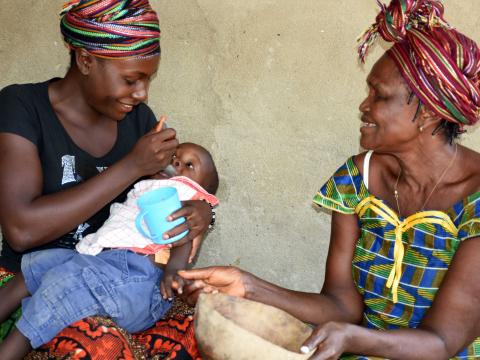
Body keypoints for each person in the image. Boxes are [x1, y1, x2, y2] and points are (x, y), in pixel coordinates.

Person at [178, 1, 480, 359]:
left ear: (428, 113)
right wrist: (246, 285)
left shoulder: (473, 199)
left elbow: (442, 343)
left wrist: (352, 339)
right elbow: (341, 305)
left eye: (379, 95)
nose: (363, 106)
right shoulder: (358, 179)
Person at [0, 0, 212, 358]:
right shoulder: (22, 107)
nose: (142, 93)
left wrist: (199, 213)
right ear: (85, 61)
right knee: (98, 346)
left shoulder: (138, 123)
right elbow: (22, 230)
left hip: (110, 284)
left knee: (199, 329)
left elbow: (164, 199)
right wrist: (130, 166)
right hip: (28, 284)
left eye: (147, 79)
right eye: (131, 79)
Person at [0, 142, 219, 359]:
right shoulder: (150, 182)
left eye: (190, 165)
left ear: (201, 189)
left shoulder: (179, 195)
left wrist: (174, 270)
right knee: (39, 265)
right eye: (174, 157)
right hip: (100, 262)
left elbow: (183, 236)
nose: (177, 162)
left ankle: (12, 347)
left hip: (134, 278)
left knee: (60, 290)